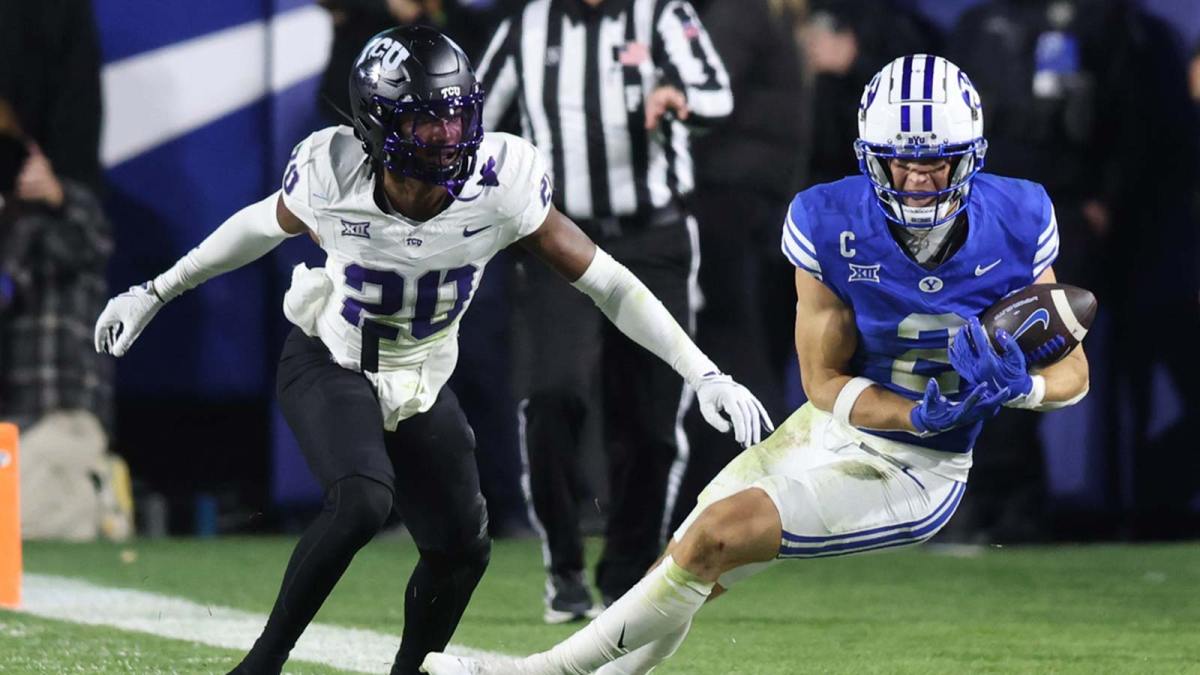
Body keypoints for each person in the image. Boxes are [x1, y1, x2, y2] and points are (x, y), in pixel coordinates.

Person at [92, 26, 769, 675]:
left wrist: (703, 372)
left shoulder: (500, 183)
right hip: (332, 360)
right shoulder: (334, 173)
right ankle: (259, 665)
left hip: (420, 381)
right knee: (360, 500)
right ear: (379, 125)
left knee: (463, 548)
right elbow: (254, 228)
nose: (449, 135)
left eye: (456, 115)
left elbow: (608, 282)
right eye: (427, 121)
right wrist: (155, 291)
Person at [419, 53, 1092, 675]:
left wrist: (1024, 387)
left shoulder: (1019, 215)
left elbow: (1073, 371)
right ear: (869, 156)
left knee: (712, 535)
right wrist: (914, 408)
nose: (917, 179)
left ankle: (528, 672)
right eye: (899, 162)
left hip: (920, 469)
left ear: (969, 157)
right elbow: (821, 381)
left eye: (936, 162)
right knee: (688, 557)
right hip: (838, 423)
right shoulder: (828, 220)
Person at [475, 0, 734, 622]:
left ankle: (625, 578)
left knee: (647, 419)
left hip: (653, 238)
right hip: (558, 238)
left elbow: (717, 93)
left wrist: (678, 99)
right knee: (553, 394)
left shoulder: (662, 14)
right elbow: (470, 114)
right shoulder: (526, 26)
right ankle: (563, 567)